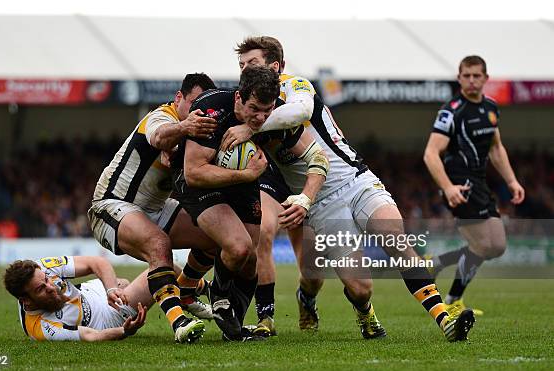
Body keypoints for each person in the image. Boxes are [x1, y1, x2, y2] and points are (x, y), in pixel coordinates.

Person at [223, 36, 475, 342]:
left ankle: (444, 319)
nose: (244, 70)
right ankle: (358, 309)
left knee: (395, 239)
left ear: (274, 67)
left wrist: (252, 126)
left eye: (252, 63)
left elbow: (302, 111)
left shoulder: (294, 85)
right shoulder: (245, 105)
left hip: (356, 179)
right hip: (323, 202)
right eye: (241, 66)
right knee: (359, 287)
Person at [172, 65, 328, 341]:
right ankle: (219, 294)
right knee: (238, 246)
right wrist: (246, 174)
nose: (260, 117)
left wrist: (305, 199)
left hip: (243, 183)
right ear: (238, 98)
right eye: (254, 109)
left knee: (250, 260)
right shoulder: (211, 109)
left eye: (266, 111)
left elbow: (318, 159)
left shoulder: (274, 115)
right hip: (199, 185)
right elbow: (194, 173)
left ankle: (234, 328)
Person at [88, 73, 220, 343]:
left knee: (217, 232)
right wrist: (185, 128)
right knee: (159, 243)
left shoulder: (200, 130)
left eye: (201, 107)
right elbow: (160, 137)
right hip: (111, 206)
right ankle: (179, 322)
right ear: (178, 98)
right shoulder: (162, 117)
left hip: (155, 209)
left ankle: (186, 289)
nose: (196, 112)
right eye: (192, 103)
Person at [423, 55, 525, 315]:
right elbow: (430, 154)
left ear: (485, 78)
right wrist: (447, 187)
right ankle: (453, 300)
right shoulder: (451, 111)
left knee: (497, 246)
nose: (471, 81)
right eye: (466, 76)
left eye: (476, 75)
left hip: (479, 184)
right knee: (482, 246)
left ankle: (436, 264)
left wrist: (512, 180)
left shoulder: (491, 108)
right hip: (459, 186)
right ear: (459, 78)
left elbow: (497, 147)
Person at [3, 255, 146, 342]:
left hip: (89, 291)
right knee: (153, 275)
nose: (51, 287)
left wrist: (111, 289)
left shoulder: (41, 267)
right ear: (26, 300)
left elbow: (96, 262)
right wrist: (124, 331)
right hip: (105, 319)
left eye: (47, 280)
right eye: (41, 289)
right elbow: (91, 336)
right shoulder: (41, 328)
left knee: (122, 283)